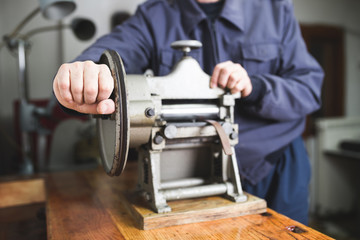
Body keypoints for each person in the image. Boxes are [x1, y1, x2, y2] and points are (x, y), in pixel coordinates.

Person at [53, 0, 323, 225]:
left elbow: (309, 89)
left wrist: (256, 86)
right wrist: (83, 74)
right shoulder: (155, 15)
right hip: (190, 173)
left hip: (278, 167)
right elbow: (112, 52)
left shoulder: (274, 9)